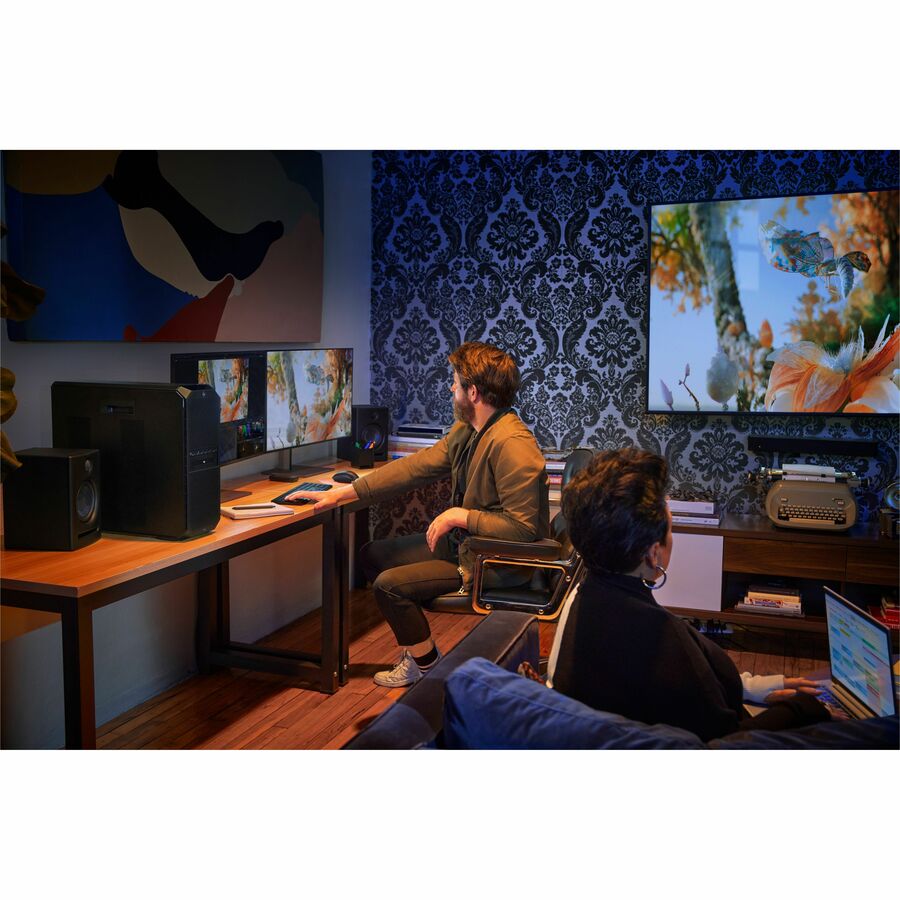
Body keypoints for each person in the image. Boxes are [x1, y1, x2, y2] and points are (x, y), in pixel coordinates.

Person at [287, 341, 549, 688]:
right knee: (374, 555)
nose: (451, 388)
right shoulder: (470, 431)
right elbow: (415, 468)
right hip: (468, 546)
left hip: (494, 562)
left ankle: (428, 668)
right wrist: (343, 493)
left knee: (390, 587)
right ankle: (418, 650)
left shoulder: (512, 444)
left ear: (473, 392)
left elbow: (523, 528)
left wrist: (459, 516)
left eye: (455, 382)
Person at [547, 448, 832, 741]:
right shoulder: (662, 638)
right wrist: (805, 708)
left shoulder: (579, 597)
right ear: (653, 554)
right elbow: (726, 743)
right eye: (671, 530)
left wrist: (756, 687)